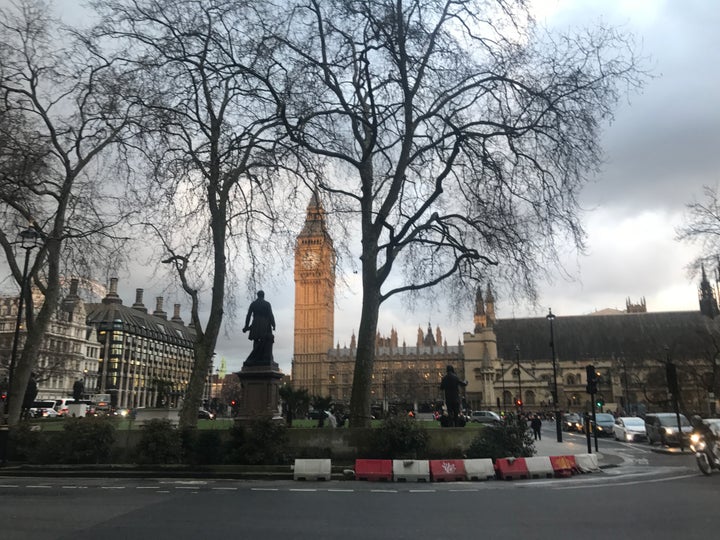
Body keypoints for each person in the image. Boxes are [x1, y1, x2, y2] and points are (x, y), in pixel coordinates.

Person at [242, 291, 276, 366]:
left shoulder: (253, 304)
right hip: (265, 323)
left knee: (256, 340)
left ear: (257, 295)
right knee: (265, 340)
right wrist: (273, 324)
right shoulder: (267, 304)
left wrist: (246, 326)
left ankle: (256, 358)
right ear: (263, 296)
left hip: (256, 323)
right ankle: (263, 357)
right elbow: (270, 315)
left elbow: (248, 315)